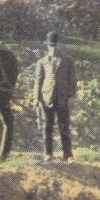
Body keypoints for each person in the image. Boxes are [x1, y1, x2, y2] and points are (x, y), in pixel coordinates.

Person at [33, 31, 77, 162]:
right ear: (47, 45)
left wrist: (71, 97)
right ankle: (48, 153)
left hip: (62, 98)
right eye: (50, 45)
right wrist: (36, 97)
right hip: (47, 98)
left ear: (60, 44)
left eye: (55, 45)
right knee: (47, 127)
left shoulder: (68, 61)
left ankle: (68, 155)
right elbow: (38, 80)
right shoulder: (42, 62)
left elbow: (72, 81)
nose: (53, 47)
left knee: (64, 127)